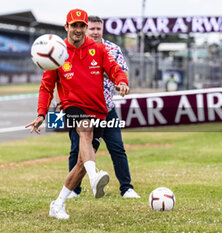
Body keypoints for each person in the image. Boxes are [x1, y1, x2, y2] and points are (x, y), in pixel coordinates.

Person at [26, 9, 130, 219]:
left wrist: (121, 82)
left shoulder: (98, 50)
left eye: (82, 25)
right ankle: (94, 177)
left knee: (82, 162)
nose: (78, 30)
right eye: (74, 25)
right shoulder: (56, 52)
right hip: (71, 105)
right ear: (66, 27)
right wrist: (41, 114)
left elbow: (115, 69)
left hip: (99, 110)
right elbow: (46, 87)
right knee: (85, 130)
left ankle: (58, 203)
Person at [66, 15, 140, 199]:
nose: (96, 32)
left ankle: (127, 188)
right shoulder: (75, 49)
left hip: (107, 109)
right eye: (92, 29)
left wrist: (120, 82)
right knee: (77, 151)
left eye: (99, 29)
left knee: (117, 148)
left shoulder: (112, 49)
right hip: (83, 110)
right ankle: (74, 191)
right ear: (85, 29)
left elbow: (120, 72)